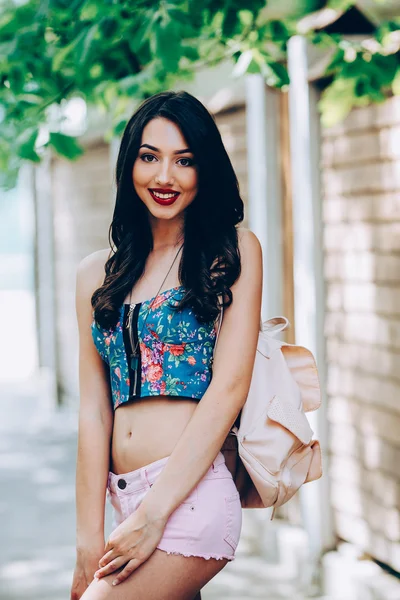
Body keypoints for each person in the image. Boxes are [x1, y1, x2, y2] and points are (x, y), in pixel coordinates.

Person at [70, 89, 262, 600]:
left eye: (185, 161)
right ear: (129, 162)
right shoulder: (96, 274)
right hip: (124, 500)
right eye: (149, 157)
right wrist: (88, 540)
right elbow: (94, 413)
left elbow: (230, 388)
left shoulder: (233, 253)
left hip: (190, 497)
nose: (164, 177)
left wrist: (155, 515)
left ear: (206, 170)